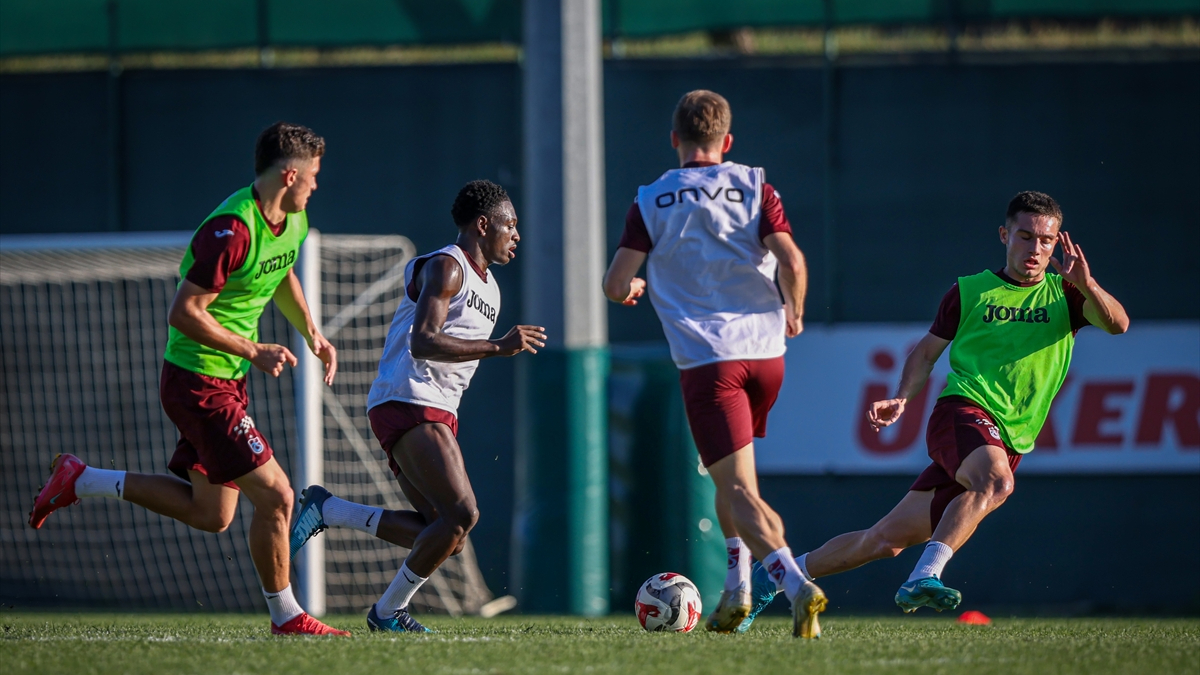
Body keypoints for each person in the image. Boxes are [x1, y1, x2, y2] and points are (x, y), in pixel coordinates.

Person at [742, 191, 1130, 625]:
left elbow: (1118, 325)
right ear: (1004, 235)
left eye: (1046, 240)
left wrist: (1088, 285)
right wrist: (902, 397)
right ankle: (923, 576)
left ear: (1057, 244)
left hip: (1009, 436)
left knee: (883, 540)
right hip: (963, 412)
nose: (1035, 249)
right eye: (1025, 237)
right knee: (997, 483)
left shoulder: (1069, 295)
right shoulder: (969, 291)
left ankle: (775, 576)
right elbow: (926, 353)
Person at [29, 122, 347, 636]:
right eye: (312, 176)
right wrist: (253, 348)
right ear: (289, 174)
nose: (316, 185)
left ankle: (81, 478)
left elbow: (282, 268)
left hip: (227, 380)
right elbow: (184, 311)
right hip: (197, 382)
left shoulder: (294, 218)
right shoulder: (230, 230)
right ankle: (288, 618)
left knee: (212, 514)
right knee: (279, 497)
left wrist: (313, 333)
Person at [602, 90, 825, 638]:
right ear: (726, 143)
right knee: (734, 482)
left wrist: (631, 286)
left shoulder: (651, 200)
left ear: (675, 139)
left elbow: (613, 284)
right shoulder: (755, 185)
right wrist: (794, 311)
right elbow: (792, 260)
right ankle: (736, 589)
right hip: (768, 356)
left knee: (738, 491)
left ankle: (797, 584)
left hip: (710, 362)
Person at [289, 180, 543, 633]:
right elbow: (422, 341)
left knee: (448, 534)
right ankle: (387, 613)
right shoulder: (448, 266)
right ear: (483, 225)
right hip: (409, 397)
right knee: (463, 514)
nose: (516, 234)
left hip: (436, 406)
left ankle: (329, 510)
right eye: (511, 225)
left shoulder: (492, 287)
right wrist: (497, 348)